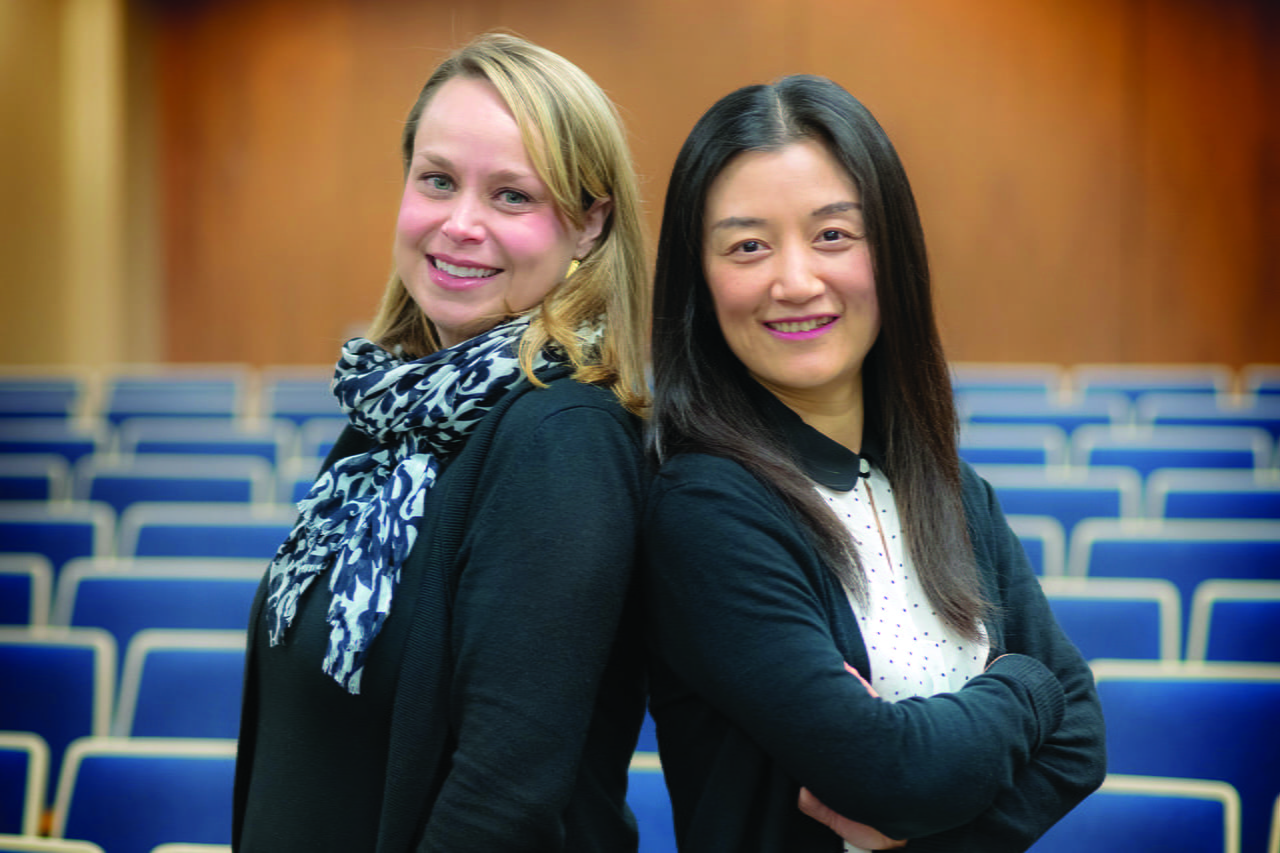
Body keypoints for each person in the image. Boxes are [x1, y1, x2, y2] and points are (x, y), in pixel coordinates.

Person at [642, 75, 1106, 852]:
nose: (795, 281)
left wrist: (929, 809)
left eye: (832, 235)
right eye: (748, 245)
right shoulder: (703, 508)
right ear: (699, 281)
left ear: (890, 253)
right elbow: (888, 773)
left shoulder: (950, 489)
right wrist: (1029, 686)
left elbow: (1084, 739)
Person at [233, 33, 651, 852]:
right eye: (437, 181)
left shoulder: (563, 438)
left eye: (511, 196)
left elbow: (503, 799)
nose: (460, 224)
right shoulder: (388, 419)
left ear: (590, 224)